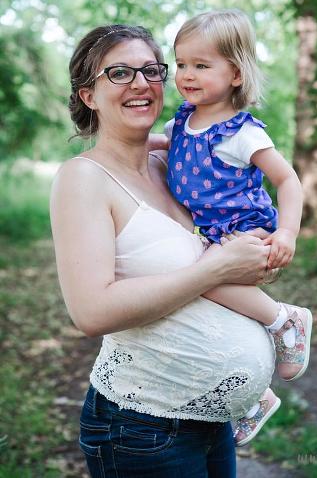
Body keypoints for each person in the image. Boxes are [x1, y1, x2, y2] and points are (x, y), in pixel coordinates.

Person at [51, 24, 276, 477]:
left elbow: (222, 238)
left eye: (151, 70)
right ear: (88, 95)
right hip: (142, 429)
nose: (140, 83)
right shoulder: (83, 180)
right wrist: (216, 269)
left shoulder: (173, 165)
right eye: (118, 73)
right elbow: (91, 312)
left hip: (211, 420)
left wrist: (257, 254)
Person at [164, 9, 311, 447]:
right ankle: (253, 399)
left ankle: (285, 320)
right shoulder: (181, 122)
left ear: (235, 72)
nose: (187, 75)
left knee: (199, 285)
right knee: (198, 316)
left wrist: (287, 235)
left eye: (201, 65)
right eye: (181, 64)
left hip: (242, 232)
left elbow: (288, 181)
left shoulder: (242, 133)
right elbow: (162, 149)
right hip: (206, 235)